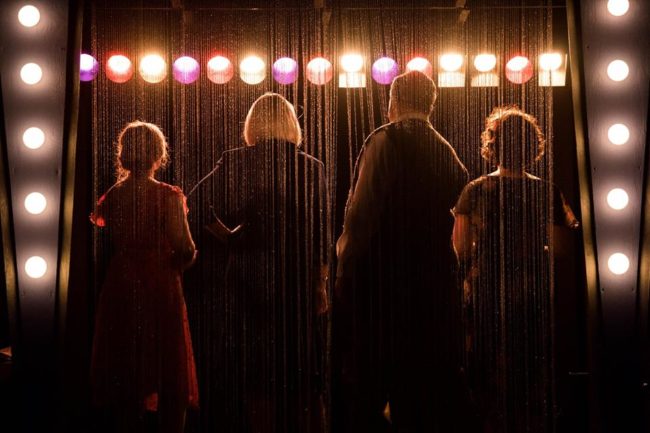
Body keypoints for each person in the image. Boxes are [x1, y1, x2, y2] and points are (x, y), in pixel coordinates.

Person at [335, 70, 471, 433]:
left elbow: (361, 214)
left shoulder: (384, 140)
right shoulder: (447, 151)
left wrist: (344, 267)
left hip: (383, 286)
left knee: (369, 390)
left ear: (392, 101)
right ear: (431, 103)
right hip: (431, 287)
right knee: (419, 395)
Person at [189, 93, 329, 433]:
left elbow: (195, 203)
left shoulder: (236, 161)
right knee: (299, 368)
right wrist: (320, 283)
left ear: (253, 124)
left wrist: (231, 237)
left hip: (249, 275)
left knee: (256, 370)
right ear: (290, 124)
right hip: (295, 276)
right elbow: (321, 231)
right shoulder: (310, 166)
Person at [452, 106, 579, 433]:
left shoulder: (475, 190)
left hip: (487, 296)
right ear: (531, 146)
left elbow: (461, 249)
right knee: (530, 382)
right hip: (533, 296)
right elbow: (561, 250)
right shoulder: (547, 191)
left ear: (493, 145)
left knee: (485, 382)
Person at [90, 121, 198, 433]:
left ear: (123, 156)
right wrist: (174, 264)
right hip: (158, 284)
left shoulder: (112, 197)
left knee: (126, 370)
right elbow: (186, 248)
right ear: (157, 155)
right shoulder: (167, 196)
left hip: (120, 284)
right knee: (169, 371)